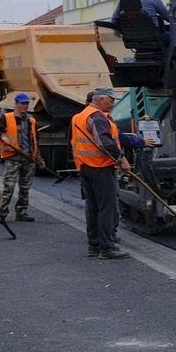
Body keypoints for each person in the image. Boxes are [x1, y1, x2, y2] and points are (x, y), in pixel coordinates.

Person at [72, 86, 133, 259]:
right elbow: (104, 142)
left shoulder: (80, 116)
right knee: (107, 207)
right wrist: (122, 160)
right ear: (100, 99)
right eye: (111, 100)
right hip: (100, 167)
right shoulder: (97, 117)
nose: (113, 103)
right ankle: (107, 248)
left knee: (92, 207)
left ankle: (94, 244)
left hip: (85, 166)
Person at [0, 92, 43, 222]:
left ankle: (21, 212)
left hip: (28, 158)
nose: (25, 106)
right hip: (13, 157)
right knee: (9, 187)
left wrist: (38, 158)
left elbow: (35, 140)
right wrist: (2, 137)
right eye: (22, 103)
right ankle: (2, 213)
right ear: (16, 104)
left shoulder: (31, 121)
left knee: (25, 187)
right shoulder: (6, 118)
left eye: (26, 103)